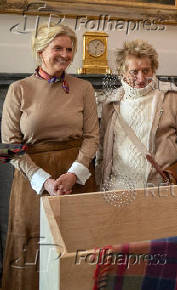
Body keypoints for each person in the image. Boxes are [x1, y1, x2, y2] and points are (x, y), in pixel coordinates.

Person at [1, 24, 99, 289]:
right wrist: (44, 181)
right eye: (58, 48)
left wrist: (72, 174)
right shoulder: (18, 89)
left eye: (70, 50)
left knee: (77, 245)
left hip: (77, 181)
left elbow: (92, 137)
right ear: (41, 50)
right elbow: (9, 147)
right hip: (32, 182)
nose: (65, 55)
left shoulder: (84, 89)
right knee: (32, 247)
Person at [97, 40, 177, 189]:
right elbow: (102, 150)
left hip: (160, 189)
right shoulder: (110, 103)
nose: (141, 78)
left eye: (146, 71)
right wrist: (100, 184)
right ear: (123, 72)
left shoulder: (174, 97)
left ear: (153, 69)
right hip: (117, 189)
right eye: (134, 72)